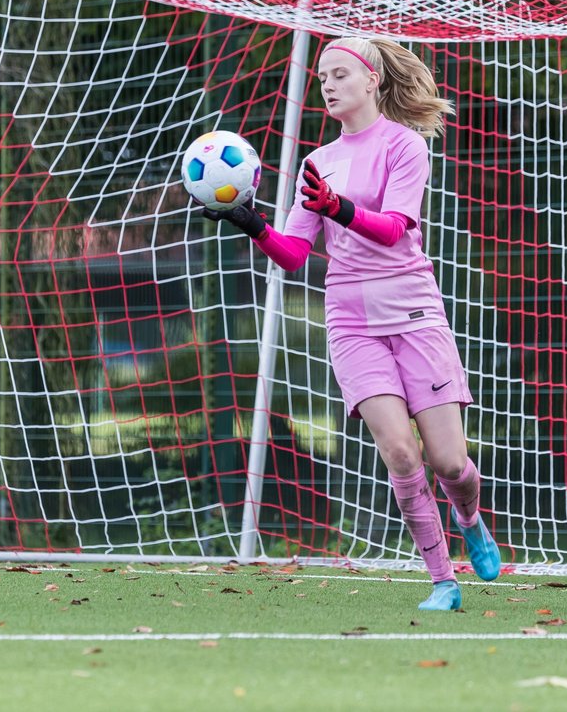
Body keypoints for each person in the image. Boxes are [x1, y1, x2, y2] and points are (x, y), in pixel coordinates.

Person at [204, 36, 500, 611]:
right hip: (351, 321)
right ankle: (443, 581)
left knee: (449, 464)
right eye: (322, 79)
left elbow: (394, 229)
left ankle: (471, 519)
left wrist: (337, 206)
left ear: (372, 81)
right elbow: (294, 254)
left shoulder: (406, 145)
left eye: (341, 74)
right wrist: (250, 222)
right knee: (399, 453)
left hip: (414, 313)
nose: (330, 85)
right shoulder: (319, 163)